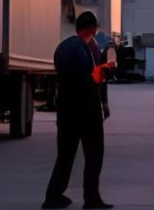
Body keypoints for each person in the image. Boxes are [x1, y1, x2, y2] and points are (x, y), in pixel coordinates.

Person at [44, 11, 115, 209]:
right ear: (92, 28)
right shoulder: (88, 47)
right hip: (87, 111)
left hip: (66, 111)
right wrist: (106, 71)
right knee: (94, 154)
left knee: (65, 156)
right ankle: (91, 199)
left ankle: (53, 196)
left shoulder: (63, 47)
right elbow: (91, 79)